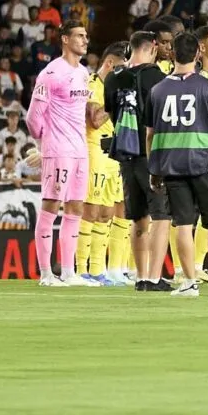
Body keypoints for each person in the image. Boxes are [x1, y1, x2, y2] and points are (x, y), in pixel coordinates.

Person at [146, 31, 208, 298]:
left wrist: (154, 167)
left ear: (172, 54)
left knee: (183, 224)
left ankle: (189, 283)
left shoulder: (157, 90)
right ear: (198, 53)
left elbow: (150, 134)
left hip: (171, 166)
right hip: (204, 162)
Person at [26, 21, 95, 287]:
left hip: (80, 150)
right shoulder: (51, 73)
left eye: (86, 36)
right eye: (79, 36)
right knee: (51, 206)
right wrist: (43, 145)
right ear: (65, 39)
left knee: (76, 207)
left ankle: (68, 271)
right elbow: (33, 117)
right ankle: (46, 274)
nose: (85, 40)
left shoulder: (84, 72)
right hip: (58, 150)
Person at [104, 30, 171, 291]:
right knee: (161, 217)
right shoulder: (158, 77)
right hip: (152, 155)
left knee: (138, 218)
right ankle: (154, 277)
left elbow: (112, 114)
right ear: (153, 47)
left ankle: (141, 277)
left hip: (126, 154)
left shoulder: (113, 77)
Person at [78, 41, 129, 285]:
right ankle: (80, 269)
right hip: (95, 150)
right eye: (121, 69)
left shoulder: (111, 86)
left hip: (113, 153)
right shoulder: (92, 84)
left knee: (107, 213)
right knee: (91, 210)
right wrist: (118, 97)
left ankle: (98, 270)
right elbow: (96, 120)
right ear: (109, 64)